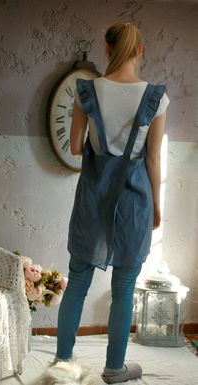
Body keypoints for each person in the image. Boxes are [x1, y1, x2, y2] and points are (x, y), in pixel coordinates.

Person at [54, 22, 169, 383]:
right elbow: (152, 159)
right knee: (124, 286)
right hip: (135, 201)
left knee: (77, 281)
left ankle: (62, 365)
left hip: (92, 197)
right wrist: (158, 205)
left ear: (106, 48)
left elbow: (74, 148)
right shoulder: (156, 97)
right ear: (139, 51)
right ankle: (115, 368)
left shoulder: (86, 90)